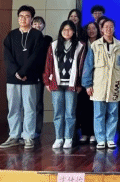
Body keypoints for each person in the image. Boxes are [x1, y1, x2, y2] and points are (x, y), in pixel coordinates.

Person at [0, 6, 46, 150]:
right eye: (21, 16)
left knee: (29, 108)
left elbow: (36, 56)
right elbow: (7, 56)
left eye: (27, 16)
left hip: (29, 78)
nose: (23, 19)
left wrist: (23, 72)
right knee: (13, 108)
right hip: (13, 78)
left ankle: (28, 136)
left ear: (31, 19)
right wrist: (16, 72)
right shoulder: (11, 35)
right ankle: (14, 135)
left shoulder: (37, 35)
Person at [82, 18, 120, 150]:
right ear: (101, 29)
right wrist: (87, 84)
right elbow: (88, 66)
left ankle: (110, 138)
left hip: (115, 83)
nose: (108, 29)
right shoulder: (95, 45)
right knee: (98, 114)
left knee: (113, 113)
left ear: (114, 29)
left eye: (111, 27)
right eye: (106, 27)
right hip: (98, 84)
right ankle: (100, 139)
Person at [43, 20, 87, 149]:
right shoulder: (54, 45)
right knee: (58, 112)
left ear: (74, 31)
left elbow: (82, 66)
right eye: (64, 30)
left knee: (70, 113)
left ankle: (68, 138)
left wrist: (80, 83)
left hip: (72, 85)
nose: (67, 32)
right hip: (56, 84)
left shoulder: (80, 46)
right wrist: (47, 82)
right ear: (61, 31)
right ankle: (58, 138)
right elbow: (48, 64)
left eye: (69, 29)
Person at [77, 22, 99, 144]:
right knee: (84, 108)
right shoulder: (82, 44)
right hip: (84, 80)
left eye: (94, 28)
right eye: (89, 28)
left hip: (99, 80)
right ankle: (85, 133)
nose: (91, 31)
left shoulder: (101, 43)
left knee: (96, 109)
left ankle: (94, 133)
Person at [32, 16, 53, 139]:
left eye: (40, 23)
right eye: (35, 23)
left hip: (40, 74)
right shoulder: (27, 38)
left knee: (38, 103)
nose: (37, 25)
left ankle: (37, 129)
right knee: (28, 103)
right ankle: (27, 128)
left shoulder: (47, 39)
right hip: (28, 75)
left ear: (43, 25)